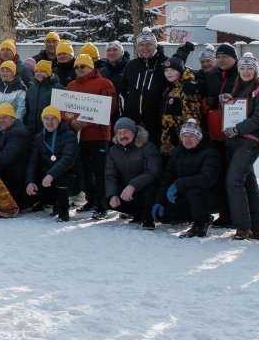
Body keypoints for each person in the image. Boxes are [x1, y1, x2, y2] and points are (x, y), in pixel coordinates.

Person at [220, 53, 259, 240]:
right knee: (248, 182)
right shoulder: (238, 87)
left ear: (256, 70)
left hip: (250, 141)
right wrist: (226, 101)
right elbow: (234, 112)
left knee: (234, 181)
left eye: (249, 68)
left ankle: (242, 227)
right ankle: (257, 227)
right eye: (242, 68)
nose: (245, 71)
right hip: (236, 141)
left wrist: (236, 129)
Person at [67, 54, 118, 219]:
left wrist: (86, 123)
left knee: (100, 171)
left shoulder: (104, 83)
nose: (79, 69)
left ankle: (103, 205)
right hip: (80, 136)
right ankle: (91, 200)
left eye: (83, 66)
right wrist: (71, 122)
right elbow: (65, 109)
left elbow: (108, 108)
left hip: (99, 135)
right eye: (76, 67)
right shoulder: (72, 85)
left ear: (91, 67)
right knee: (85, 171)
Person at [156, 120, 222, 238]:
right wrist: (159, 201)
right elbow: (168, 177)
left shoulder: (210, 153)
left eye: (192, 136)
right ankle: (190, 216)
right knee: (165, 215)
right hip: (184, 194)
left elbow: (207, 179)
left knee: (194, 190)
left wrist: (179, 184)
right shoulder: (177, 152)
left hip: (210, 196)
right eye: (185, 136)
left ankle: (201, 223)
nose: (188, 139)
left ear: (199, 137)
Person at [104, 117, 161, 229]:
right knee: (105, 194)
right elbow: (110, 174)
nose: (122, 135)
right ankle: (136, 214)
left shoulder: (148, 147)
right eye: (119, 132)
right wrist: (112, 194)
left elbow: (153, 172)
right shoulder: (113, 150)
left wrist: (133, 185)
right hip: (127, 192)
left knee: (150, 188)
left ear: (134, 132)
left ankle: (147, 218)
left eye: (126, 132)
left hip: (144, 190)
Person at [26, 105, 79, 221]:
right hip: (48, 174)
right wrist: (30, 181)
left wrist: (50, 175)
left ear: (59, 120)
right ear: (42, 120)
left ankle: (63, 211)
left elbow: (68, 159)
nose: (50, 122)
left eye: (53, 119)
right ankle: (50, 203)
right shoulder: (39, 137)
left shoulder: (69, 135)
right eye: (46, 118)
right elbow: (33, 162)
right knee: (34, 178)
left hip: (69, 174)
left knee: (62, 178)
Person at [0, 103, 32, 209]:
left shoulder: (18, 133)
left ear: (12, 118)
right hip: (8, 174)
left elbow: (6, 158)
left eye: (5, 117)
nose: (1, 120)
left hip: (17, 182)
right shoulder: (3, 130)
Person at [160, 58, 206, 156]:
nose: (169, 73)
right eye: (166, 70)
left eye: (173, 70)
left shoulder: (187, 88)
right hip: (170, 138)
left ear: (180, 71)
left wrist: (186, 138)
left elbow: (192, 117)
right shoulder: (171, 87)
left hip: (183, 139)